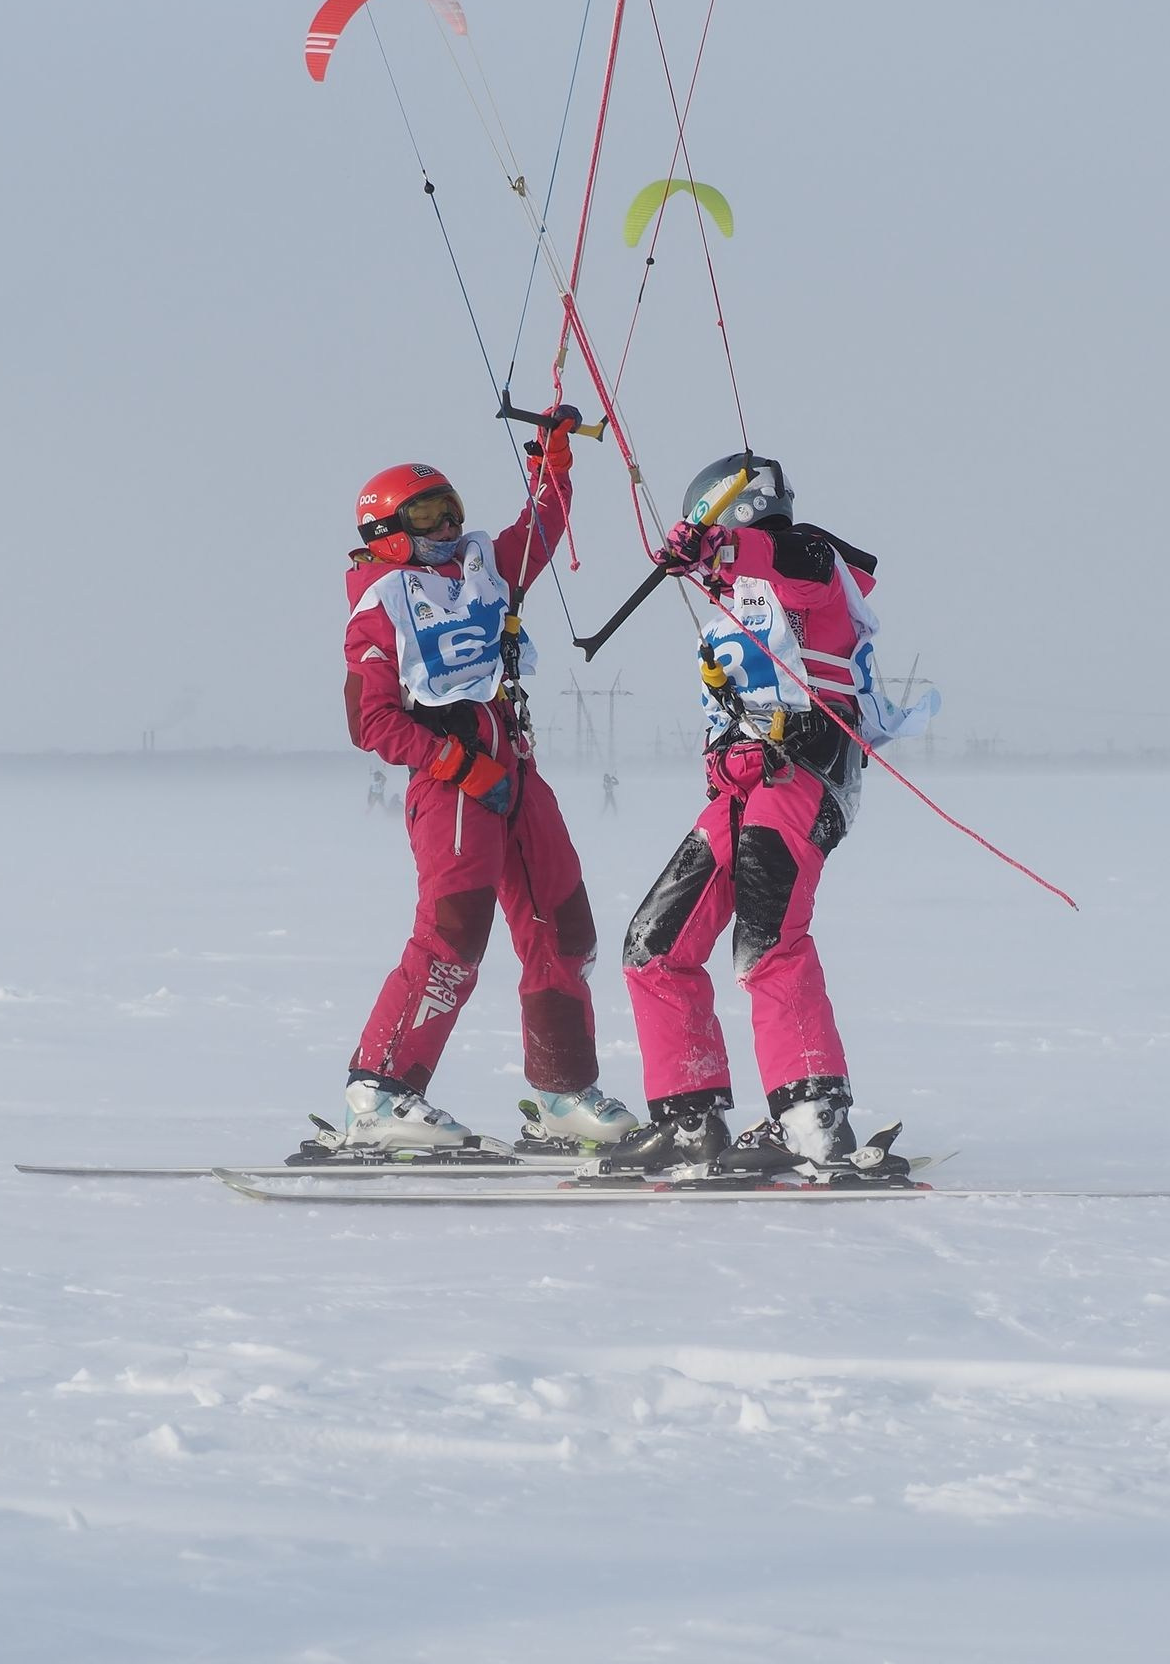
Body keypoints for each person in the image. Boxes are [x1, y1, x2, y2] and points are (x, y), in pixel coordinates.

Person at [603, 452, 914, 1180]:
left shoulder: (812, 565)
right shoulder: (724, 614)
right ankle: (688, 1120)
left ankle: (813, 1121)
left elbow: (790, 558)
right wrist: (724, 759)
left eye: (713, 537)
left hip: (809, 777)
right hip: (743, 793)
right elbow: (725, 717)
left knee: (768, 941)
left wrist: (719, 545)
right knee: (653, 944)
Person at [337, 409, 638, 1152]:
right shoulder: (379, 608)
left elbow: (538, 533)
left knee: (564, 929)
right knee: (453, 936)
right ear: (388, 532)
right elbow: (372, 723)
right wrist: (457, 763)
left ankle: (564, 1091)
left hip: (517, 770)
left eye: (452, 510)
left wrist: (555, 466)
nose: (446, 526)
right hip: (454, 782)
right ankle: (381, 1094)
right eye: (428, 515)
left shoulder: (480, 570)